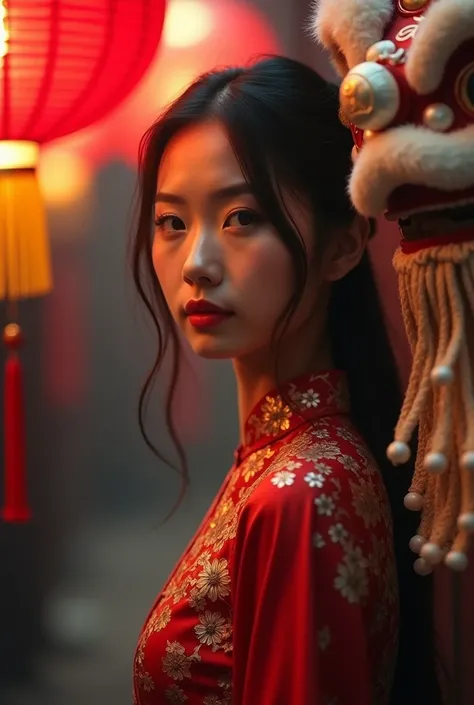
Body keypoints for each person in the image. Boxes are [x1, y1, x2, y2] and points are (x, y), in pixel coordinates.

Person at [130, 56, 440, 705]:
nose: (197, 264)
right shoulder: (309, 459)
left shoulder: (297, 492)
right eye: (172, 222)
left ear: (344, 243)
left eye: (241, 216)